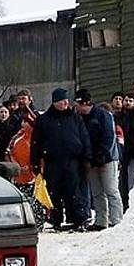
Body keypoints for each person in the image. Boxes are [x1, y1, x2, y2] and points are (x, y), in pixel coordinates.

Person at [31, 88, 92, 231]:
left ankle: (78, 218)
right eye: (61, 101)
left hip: (73, 161)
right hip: (53, 162)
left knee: (74, 191)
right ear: (54, 103)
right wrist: (35, 161)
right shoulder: (44, 120)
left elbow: (84, 138)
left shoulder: (75, 117)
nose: (65, 103)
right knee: (54, 191)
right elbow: (36, 142)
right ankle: (55, 219)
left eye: (66, 101)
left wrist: (87, 158)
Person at [73, 89, 122, 231]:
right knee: (97, 192)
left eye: (77, 104)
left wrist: (102, 154)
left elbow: (109, 137)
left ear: (84, 103)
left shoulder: (102, 115)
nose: (76, 108)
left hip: (107, 159)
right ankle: (101, 220)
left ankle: (117, 220)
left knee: (111, 189)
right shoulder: (80, 118)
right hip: (91, 160)